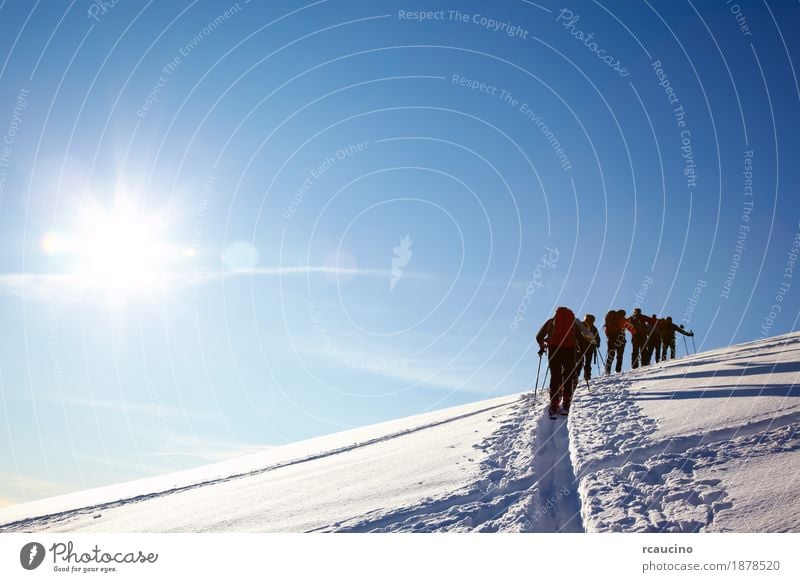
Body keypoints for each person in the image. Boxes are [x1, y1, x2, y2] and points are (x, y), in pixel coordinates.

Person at [536, 306, 587, 416]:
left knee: (555, 375)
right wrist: (581, 352)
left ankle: (554, 404)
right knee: (568, 375)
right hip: (569, 350)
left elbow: (539, 336)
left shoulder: (551, 321)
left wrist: (542, 346)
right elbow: (581, 339)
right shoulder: (573, 322)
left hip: (554, 349)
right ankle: (566, 403)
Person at [604, 309, 631, 374]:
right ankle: (618, 370)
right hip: (620, 339)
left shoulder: (611, 316)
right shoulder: (624, 319)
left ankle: (607, 370)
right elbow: (632, 329)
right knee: (620, 355)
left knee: (611, 354)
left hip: (611, 338)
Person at [581, 313, 601, 381]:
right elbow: (597, 337)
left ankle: (575, 376)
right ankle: (587, 376)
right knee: (588, 362)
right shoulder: (593, 327)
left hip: (580, 346)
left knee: (579, 362)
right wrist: (597, 344)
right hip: (590, 347)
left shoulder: (580, 325)